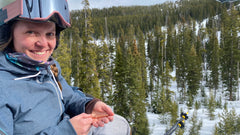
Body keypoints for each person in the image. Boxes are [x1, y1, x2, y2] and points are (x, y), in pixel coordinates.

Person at [0, 0, 131, 135]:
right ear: (8, 35)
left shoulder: (47, 68)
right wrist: (68, 131)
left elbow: (68, 96)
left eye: (50, 34)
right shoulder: (4, 86)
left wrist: (88, 105)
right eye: (31, 32)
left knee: (117, 124)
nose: (43, 43)